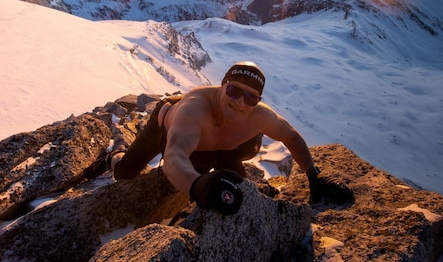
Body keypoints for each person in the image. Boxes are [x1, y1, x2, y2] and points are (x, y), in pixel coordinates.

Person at [88, 61, 354, 215]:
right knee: (126, 173)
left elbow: (291, 136)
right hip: (166, 126)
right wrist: (197, 187)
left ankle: (220, 164)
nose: (239, 102)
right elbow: (174, 156)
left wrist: (314, 176)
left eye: (250, 97)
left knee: (239, 189)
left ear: (258, 100)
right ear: (223, 84)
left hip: (223, 146)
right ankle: (113, 157)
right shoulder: (194, 111)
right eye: (234, 90)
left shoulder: (259, 116)